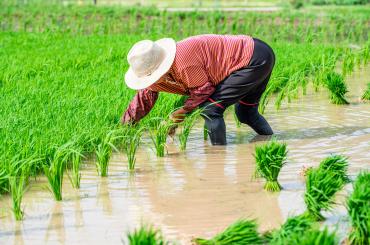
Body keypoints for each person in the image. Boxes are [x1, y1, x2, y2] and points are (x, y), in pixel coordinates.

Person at [122, 34, 275, 145]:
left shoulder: (183, 63)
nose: (151, 82)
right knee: (246, 113)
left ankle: (217, 160)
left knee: (210, 109)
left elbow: (203, 91)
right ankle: (271, 142)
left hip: (252, 59)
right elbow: (143, 99)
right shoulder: (158, 72)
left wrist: (175, 117)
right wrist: (123, 129)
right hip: (259, 54)